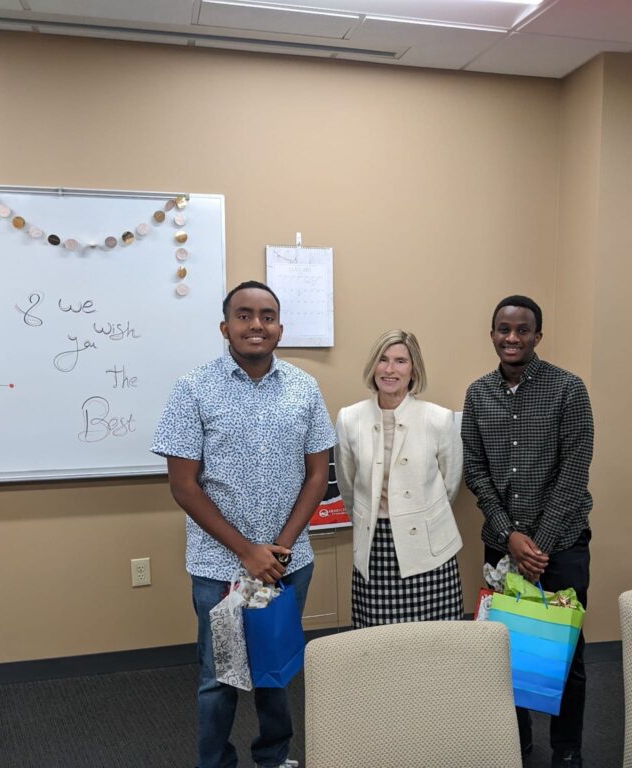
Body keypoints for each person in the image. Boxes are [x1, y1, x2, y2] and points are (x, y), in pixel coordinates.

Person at [151, 280, 336, 768]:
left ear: (280, 327)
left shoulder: (304, 387)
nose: (257, 324)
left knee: (276, 666)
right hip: (219, 565)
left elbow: (319, 474)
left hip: (288, 561)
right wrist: (247, 551)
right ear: (225, 326)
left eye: (268, 315)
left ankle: (274, 757)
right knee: (220, 676)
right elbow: (184, 486)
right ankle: (215, 762)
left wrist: (279, 546)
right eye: (245, 315)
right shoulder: (193, 388)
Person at [461, 295, 594, 768]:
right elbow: (475, 470)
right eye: (503, 329)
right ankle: (514, 745)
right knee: (505, 652)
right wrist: (510, 536)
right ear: (492, 333)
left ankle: (567, 749)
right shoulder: (478, 394)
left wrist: (537, 544)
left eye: (522, 330)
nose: (511, 338)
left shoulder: (568, 389)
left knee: (566, 652)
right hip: (502, 548)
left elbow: (575, 471)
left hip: (563, 545)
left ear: (538, 335)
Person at [335, 329, 464, 628]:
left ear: (414, 369)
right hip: (375, 545)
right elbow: (347, 484)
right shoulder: (350, 418)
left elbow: (450, 484)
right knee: (380, 645)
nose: (390, 369)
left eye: (400, 361)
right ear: (373, 367)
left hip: (430, 548)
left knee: (434, 641)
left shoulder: (438, 419)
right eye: (383, 360)